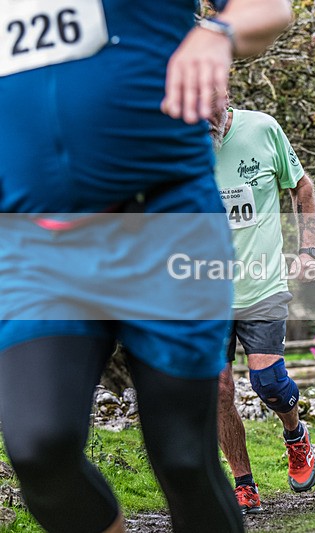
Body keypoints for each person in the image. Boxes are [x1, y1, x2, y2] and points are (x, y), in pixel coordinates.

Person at [0, 1, 293, 532]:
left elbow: (269, 8)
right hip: (36, 240)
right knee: (39, 445)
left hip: (164, 220)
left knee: (182, 456)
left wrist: (219, 33)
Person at [210, 95, 315, 514]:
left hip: (263, 283)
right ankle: (244, 484)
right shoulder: (174, 145)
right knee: (218, 389)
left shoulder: (263, 129)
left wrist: (307, 250)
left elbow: (302, 187)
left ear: (223, 94)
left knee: (269, 383)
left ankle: (296, 436)